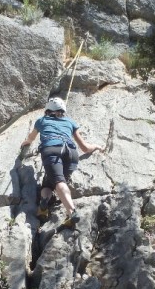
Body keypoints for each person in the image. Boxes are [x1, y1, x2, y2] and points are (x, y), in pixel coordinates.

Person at [20, 97, 103, 227]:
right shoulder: (70, 122)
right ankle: (43, 205)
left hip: (51, 150)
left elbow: (30, 138)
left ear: (47, 110)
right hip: (71, 153)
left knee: (59, 182)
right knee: (49, 182)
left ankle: (72, 212)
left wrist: (25, 143)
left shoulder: (41, 121)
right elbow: (85, 148)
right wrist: (96, 146)